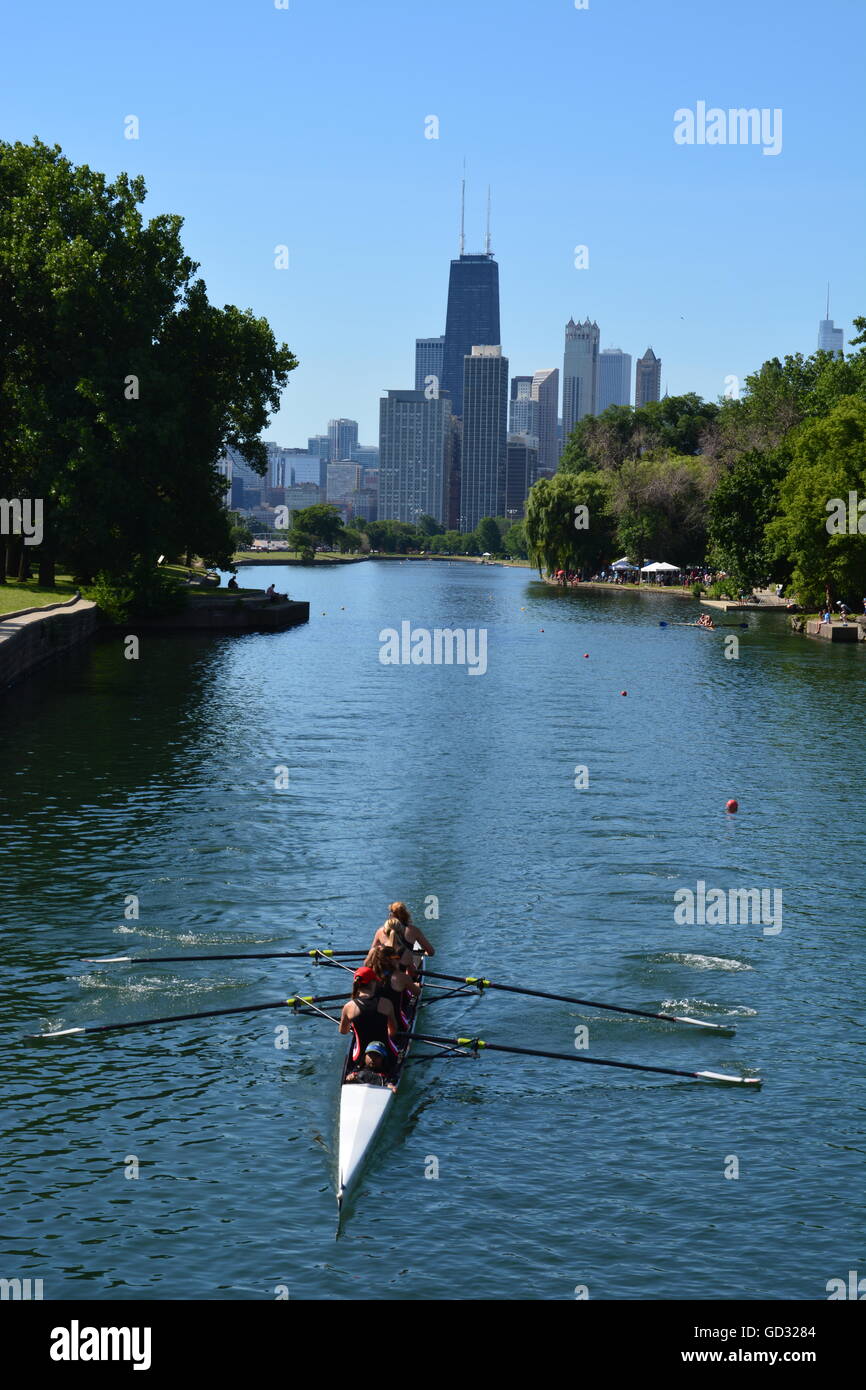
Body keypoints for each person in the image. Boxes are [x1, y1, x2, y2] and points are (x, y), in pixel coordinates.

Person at [338, 966, 397, 1065]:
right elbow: (393, 1031)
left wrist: (353, 1027)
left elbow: (343, 1031)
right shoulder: (386, 1003)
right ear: (373, 983)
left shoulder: (348, 1007)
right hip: (386, 1054)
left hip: (360, 1058)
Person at [369, 901, 435, 974]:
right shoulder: (413, 930)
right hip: (401, 975)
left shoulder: (380, 931)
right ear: (406, 914)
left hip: (382, 974)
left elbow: (371, 954)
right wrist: (422, 953)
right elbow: (431, 952)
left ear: (391, 915)